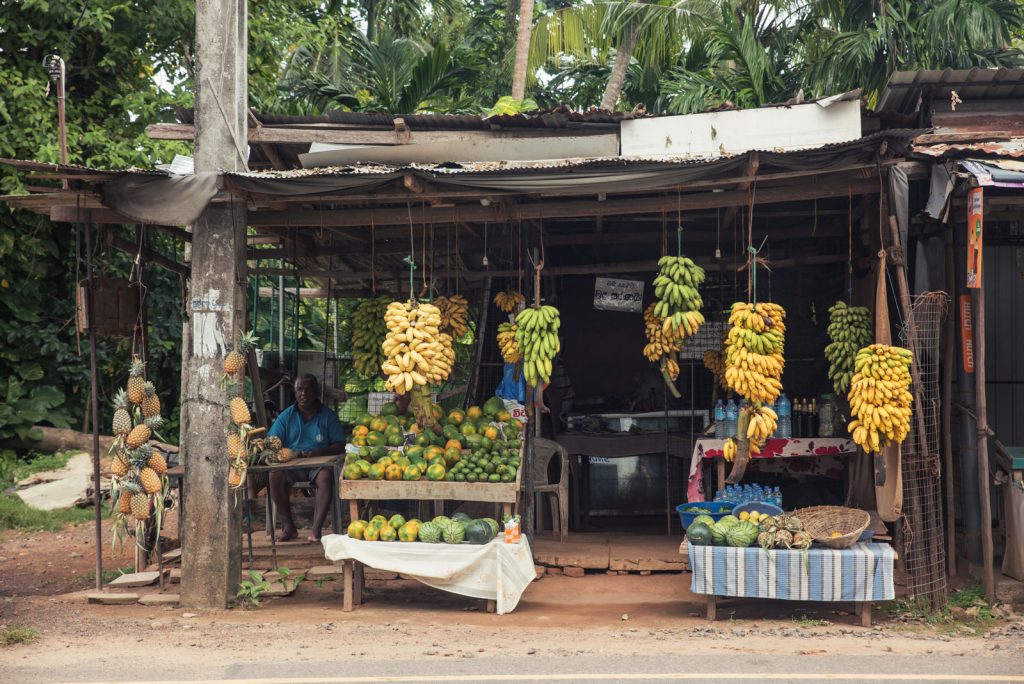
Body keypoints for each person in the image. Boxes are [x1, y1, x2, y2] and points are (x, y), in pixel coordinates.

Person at [267, 374, 346, 542]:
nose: (304, 393)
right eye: (300, 390)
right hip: (292, 466)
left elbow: (340, 445)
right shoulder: (286, 417)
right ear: (295, 393)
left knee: (326, 477)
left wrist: (321, 451)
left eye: (308, 389)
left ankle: (316, 529)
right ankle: (288, 526)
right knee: (274, 475)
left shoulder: (328, 416)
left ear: (316, 392)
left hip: (318, 466)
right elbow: (271, 441)